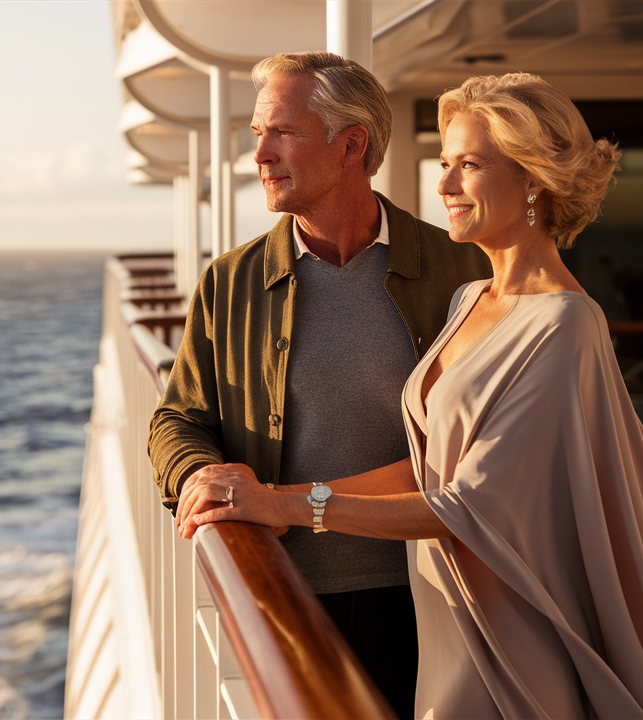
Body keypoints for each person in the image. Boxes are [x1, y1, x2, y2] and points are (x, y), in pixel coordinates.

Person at [176, 72, 643, 719]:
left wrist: (289, 503)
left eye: (470, 164)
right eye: (446, 162)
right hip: (446, 612)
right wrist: (264, 502)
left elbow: (472, 506)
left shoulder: (566, 323)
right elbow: (430, 465)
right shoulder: (469, 299)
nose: (445, 183)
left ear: (533, 180)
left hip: (507, 630)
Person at [148, 51, 491, 718]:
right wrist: (197, 474)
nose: (261, 156)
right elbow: (178, 418)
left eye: (283, 133)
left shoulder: (460, 268)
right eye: (257, 135)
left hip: (436, 594)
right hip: (289, 593)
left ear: (351, 145)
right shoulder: (232, 282)